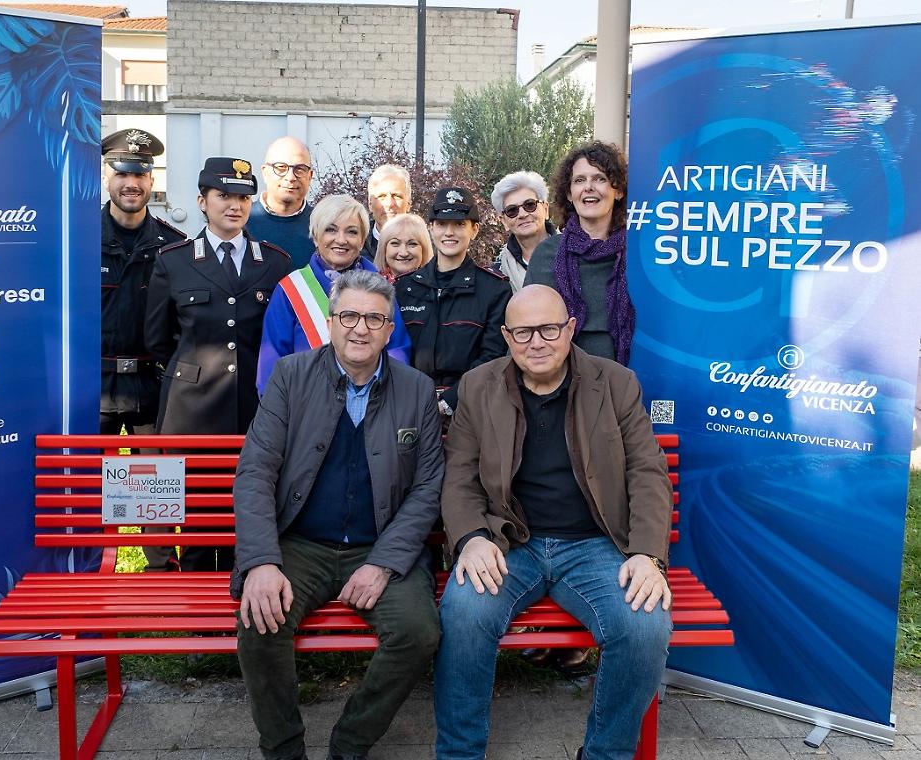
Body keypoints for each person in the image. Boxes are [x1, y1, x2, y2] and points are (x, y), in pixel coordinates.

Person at [433, 284, 674, 760]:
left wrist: (647, 554)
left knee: (645, 627)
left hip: (594, 545)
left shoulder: (616, 383)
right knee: (462, 614)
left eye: (548, 329)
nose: (536, 342)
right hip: (508, 542)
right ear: (506, 335)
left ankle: (606, 753)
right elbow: (458, 477)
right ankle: (460, 753)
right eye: (523, 332)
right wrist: (471, 538)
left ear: (569, 329)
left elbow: (648, 472)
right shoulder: (479, 386)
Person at [233, 269, 443, 760]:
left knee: (418, 632)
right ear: (330, 322)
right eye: (349, 315)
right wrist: (261, 561)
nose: (360, 328)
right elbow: (255, 472)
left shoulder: (416, 390)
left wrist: (385, 562)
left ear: (391, 330)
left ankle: (349, 744)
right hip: (299, 544)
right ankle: (284, 750)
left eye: (375, 319)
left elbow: (429, 486)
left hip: (379, 547)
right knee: (259, 622)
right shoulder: (291, 376)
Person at [144, 156, 293, 571]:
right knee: (194, 509)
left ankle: (237, 595)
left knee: (248, 501)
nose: (235, 205)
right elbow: (157, 338)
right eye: (223, 195)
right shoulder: (173, 260)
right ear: (202, 201)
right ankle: (197, 612)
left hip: (253, 405)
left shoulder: (276, 262)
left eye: (243, 197)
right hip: (192, 407)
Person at [256, 194, 411, 394]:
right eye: (330, 229)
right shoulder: (290, 290)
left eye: (352, 232)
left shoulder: (381, 287)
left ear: (363, 240)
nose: (341, 240)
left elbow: (397, 350)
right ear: (315, 235)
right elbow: (271, 364)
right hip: (307, 411)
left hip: (373, 407)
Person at [395, 186, 510, 421]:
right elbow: (394, 351)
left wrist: (451, 401)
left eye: (459, 224)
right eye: (442, 224)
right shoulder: (404, 288)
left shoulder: (494, 289)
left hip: (471, 409)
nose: (449, 232)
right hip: (409, 406)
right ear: (431, 228)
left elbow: (492, 356)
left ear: (474, 230)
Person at [99, 128, 186, 435]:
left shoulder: (175, 247)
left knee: (156, 478)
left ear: (151, 180)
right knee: (87, 481)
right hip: (95, 392)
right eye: (122, 174)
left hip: (155, 389)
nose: (131, 184)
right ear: (107, 178)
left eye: (140, 175)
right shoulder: (78, 244)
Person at [524, 141, 634, 365]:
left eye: (600, 179)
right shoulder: (547, 253)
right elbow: (527, 327)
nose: (588, 187)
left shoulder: (637, 254)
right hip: (562, 382)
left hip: (625, 382)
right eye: (579, 180)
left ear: (619, 190)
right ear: (569, 193)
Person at [246, 136, 316, 268]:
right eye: (281, 168)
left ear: (310, 176)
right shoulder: (241, 222)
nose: (290, 177)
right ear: (265, 172)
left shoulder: (323, 227)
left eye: (300, 169)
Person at [491, 171, 560, 293]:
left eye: (530, 205)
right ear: (504, 221)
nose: (522, 214)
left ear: (545, 209)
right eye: (512, 210)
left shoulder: (575, 252)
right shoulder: (498, 273)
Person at [363, 164, 412, 259]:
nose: (389, 204)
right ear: (370, 204)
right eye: (381, 197)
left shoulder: (426, 248)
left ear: (408, 203)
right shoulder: (356, 247)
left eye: (396, 196)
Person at [373, 213, 433, 283]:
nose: (403, 253)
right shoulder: (368, 287)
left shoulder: (437, 290)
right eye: (395, 243)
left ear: (424, 249)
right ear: (384, 249)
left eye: (412, 244)